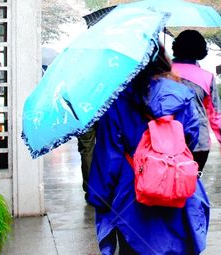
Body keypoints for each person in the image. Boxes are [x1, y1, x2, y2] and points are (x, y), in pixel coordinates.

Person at [87, 44, 210, 255]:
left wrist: (100, 197)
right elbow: (191, 139)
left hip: (132, 199)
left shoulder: (117, 100)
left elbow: (108, 157)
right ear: (163, 60)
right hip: (178, 192)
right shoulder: (184, 95)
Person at [171, 30, 221, 171]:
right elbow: (215, 115)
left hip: (166, 144)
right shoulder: (206, 77)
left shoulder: (162, 73)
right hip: (198, 143)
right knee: (192, 186)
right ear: (201, 50)